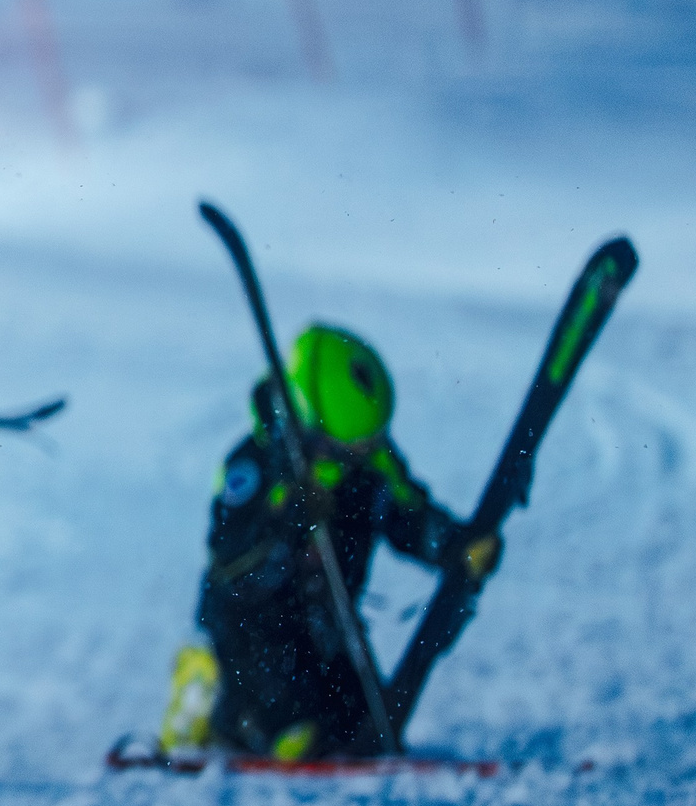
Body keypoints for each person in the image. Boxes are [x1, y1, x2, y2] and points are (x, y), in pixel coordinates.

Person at [159, 324, 501, 761]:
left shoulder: (373, 465)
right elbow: (230, 559)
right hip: (253, 631)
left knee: (361, 727)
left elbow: (408, 515)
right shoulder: (254, 467)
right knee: (283, 725)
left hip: (328, 623)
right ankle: (205, 687)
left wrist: (453, 546)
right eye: (345, 449)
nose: (359, 457)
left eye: (367, 445)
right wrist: (285, 520)